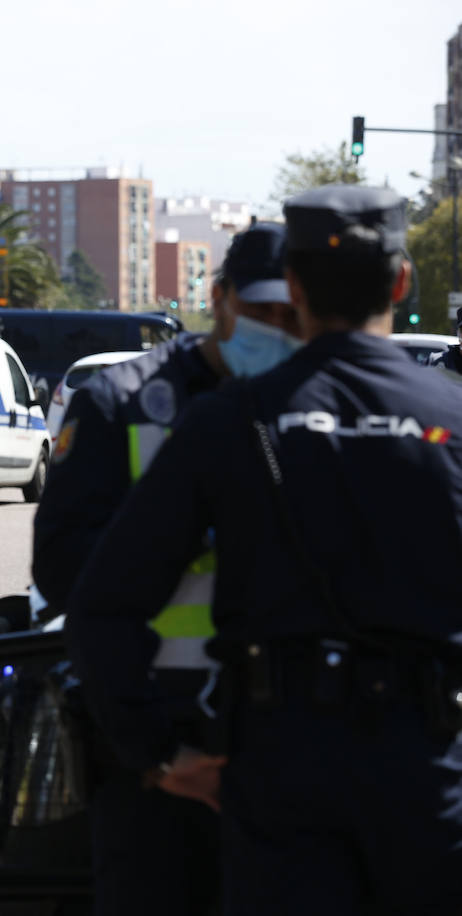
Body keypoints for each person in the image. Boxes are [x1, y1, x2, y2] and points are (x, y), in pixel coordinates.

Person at [65, 185, 462, 913]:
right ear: (403, 283)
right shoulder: (452, 418)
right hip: (431, 766)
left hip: (279, 766)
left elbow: (101, 602)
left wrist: (156, 751)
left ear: (299, 285)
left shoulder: (230, 421)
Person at [33, 221, 300, 915]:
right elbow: (61, 571)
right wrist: (175, 537)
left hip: (281, 746)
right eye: (260, 311)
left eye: (290, 316)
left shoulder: (312, 407)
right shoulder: (120, 401)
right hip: (149, 742)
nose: (275, 328)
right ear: (218, 298)